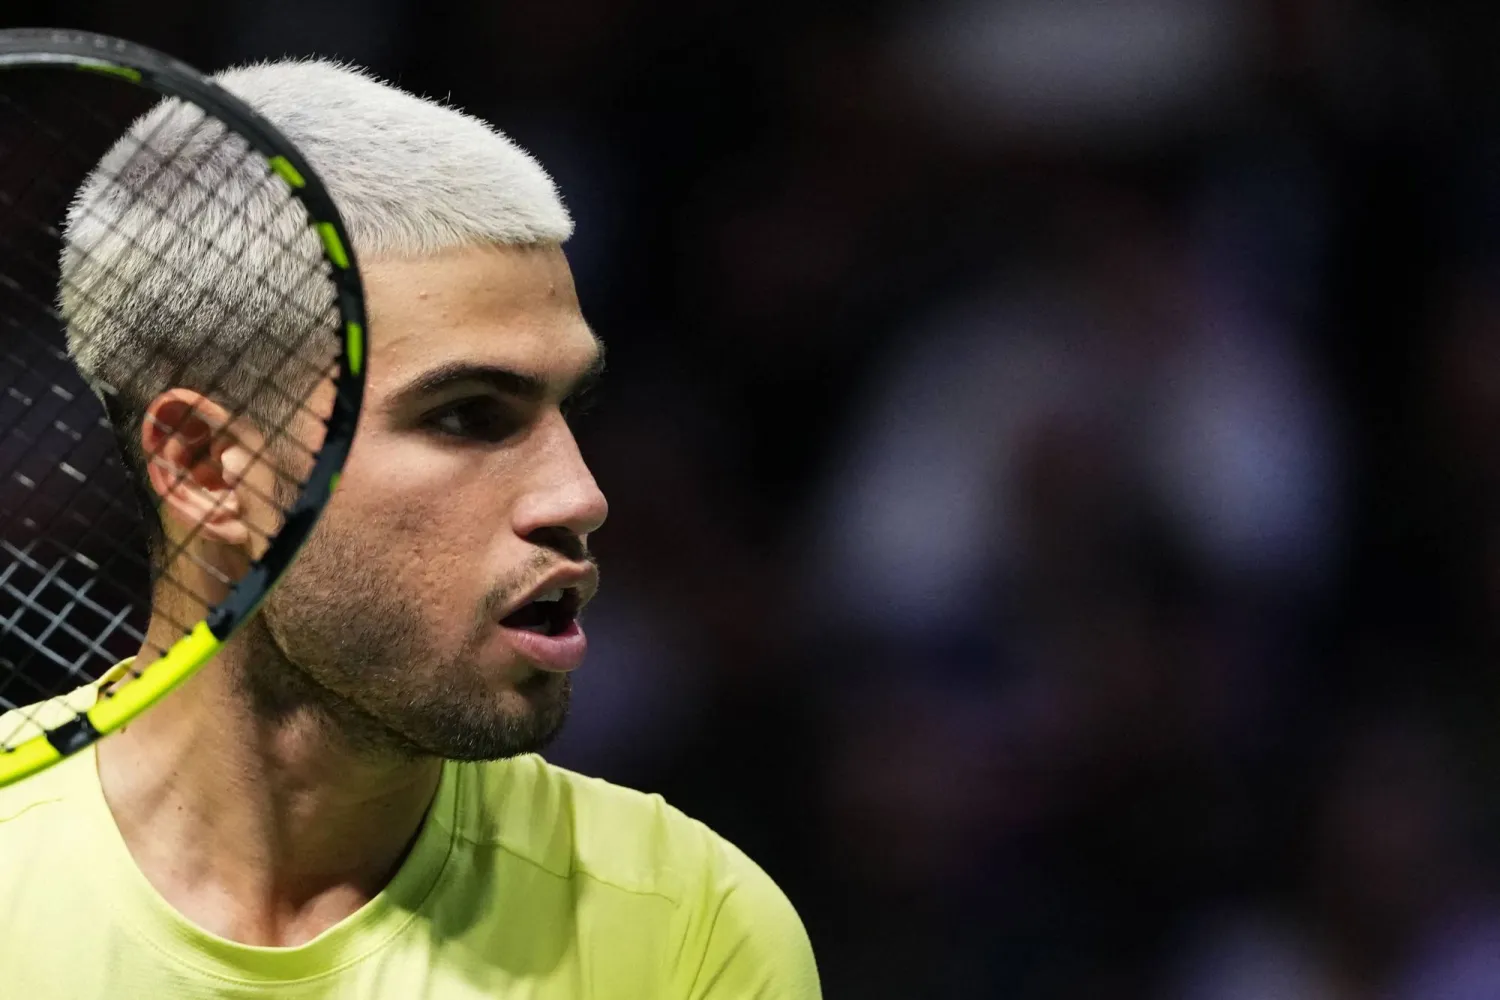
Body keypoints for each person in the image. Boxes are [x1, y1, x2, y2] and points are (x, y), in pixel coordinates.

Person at [0, 59, 821, 999]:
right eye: (468, 415)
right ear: (204, 468)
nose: (578, 496)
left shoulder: (688, 927)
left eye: (569, 410)